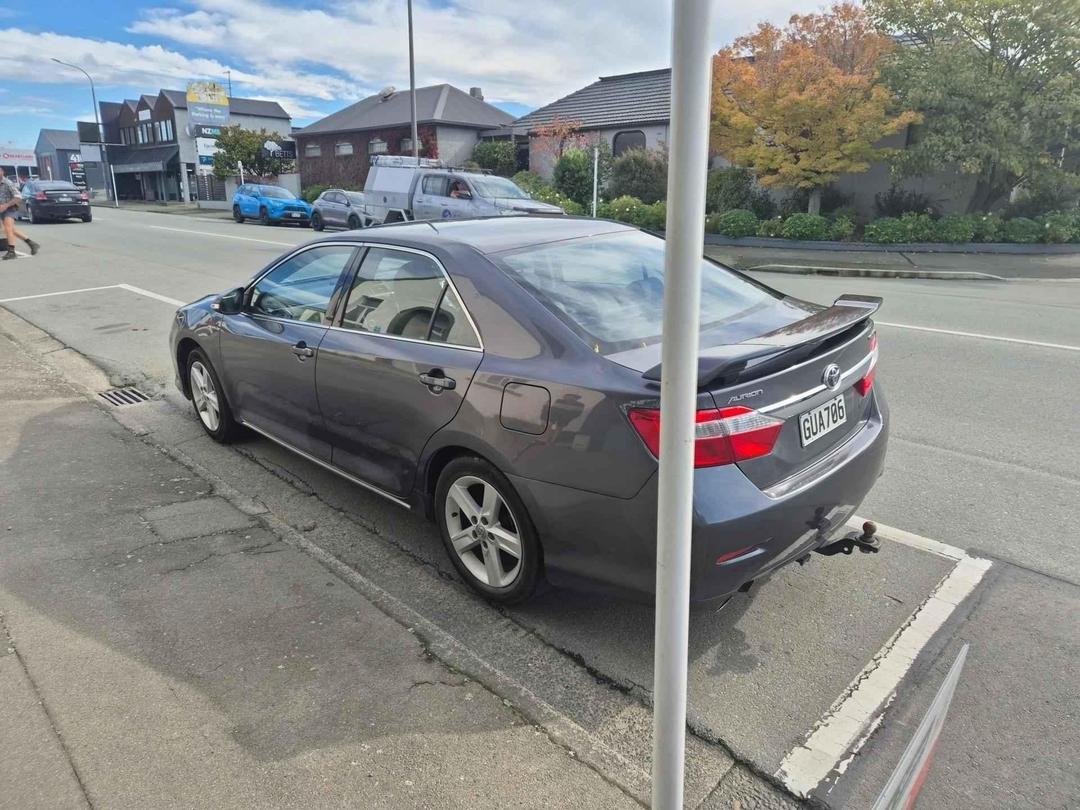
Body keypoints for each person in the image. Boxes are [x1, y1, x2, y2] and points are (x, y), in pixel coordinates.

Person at [0, 166, 39, 260]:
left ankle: (11, 252)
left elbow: (18, 197)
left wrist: (5, 205)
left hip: (10, 208)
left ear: (2, 172)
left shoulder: (7, 183)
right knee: (11, 229)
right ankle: (31, 243)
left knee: (8, 228)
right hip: (2, 209)